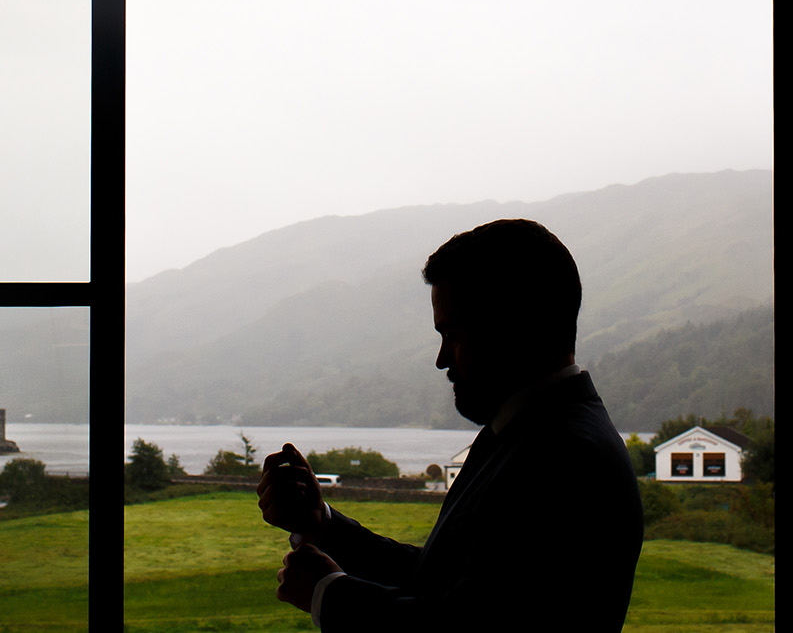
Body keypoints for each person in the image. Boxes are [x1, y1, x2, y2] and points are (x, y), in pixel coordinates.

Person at [257, 218, 643, 631]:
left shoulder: (565, 458)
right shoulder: (528, 435)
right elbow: (442, 579)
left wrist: (328, 594)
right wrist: (322, 524)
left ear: (515, 324)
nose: (441, 359)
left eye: (454, 334)